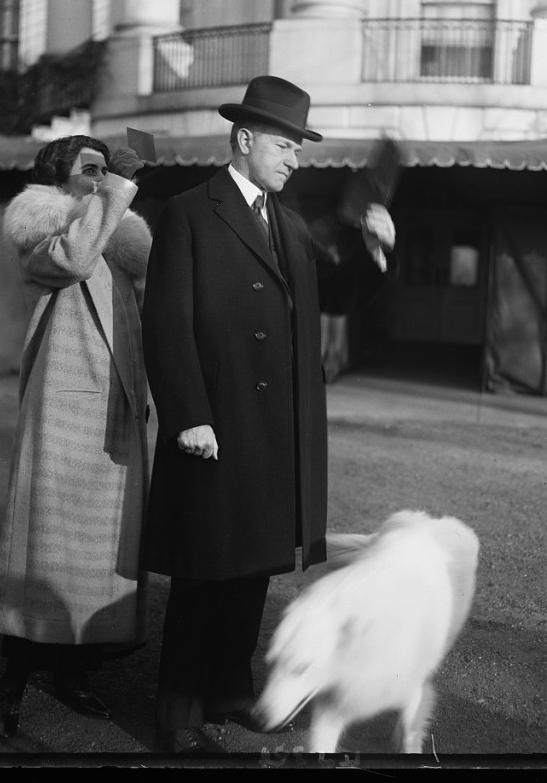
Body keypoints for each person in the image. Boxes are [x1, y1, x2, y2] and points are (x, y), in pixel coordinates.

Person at [141, 75, 397, 754]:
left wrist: (373, 253)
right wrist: (188, 413)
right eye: (285, 145)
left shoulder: (287, 224)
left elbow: (330, 297)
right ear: (245, 139)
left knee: (250, 569)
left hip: (275, 432)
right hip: (214, 427)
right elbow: (165, 321)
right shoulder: (192, 211)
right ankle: (176, 714)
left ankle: (228, 687)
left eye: (298, 148)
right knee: (202, 573)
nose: (294, 159)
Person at [0, 134, 153, 739]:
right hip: (62, 413)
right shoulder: (42, 228)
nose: (102, 177)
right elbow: (75, 261)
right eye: (91, 169)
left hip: (117, 407)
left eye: (108, 169)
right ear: (60, 178)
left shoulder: (116, 236)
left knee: (100, 551)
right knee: (45, 546)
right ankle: (14, 678)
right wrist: (119, 192)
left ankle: (76, 670)